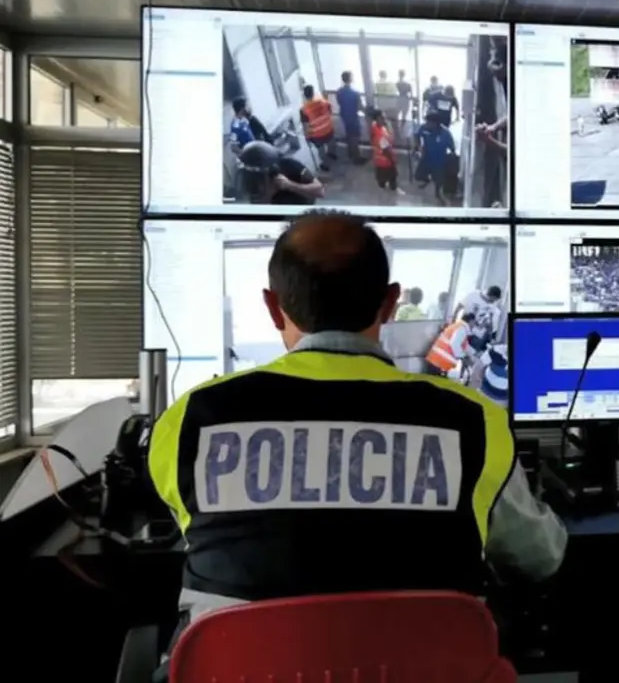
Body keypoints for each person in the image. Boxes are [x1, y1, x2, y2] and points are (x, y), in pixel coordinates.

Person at [146, 211, 566, 650]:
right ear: (390, 302)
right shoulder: (476, 421)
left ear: (272, 307)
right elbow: (541, 558)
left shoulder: (189, 419)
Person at [237, 141, 324, 206]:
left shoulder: (288, 164)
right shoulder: (251, 179)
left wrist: (290, 185)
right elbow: (256, 205)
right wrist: (270, 193)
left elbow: (319, 191)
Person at [413, 112, 455, 205]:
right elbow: (417, 135)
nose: (427, 124)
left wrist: (450, 160)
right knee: (418, 176)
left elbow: (452, 148)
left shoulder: (445, 133)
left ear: (435, 123)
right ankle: (427, 179)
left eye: (429, 122)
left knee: (439, 183)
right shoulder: (424, 128)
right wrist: (418, 147)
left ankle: (439, 196)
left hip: (439, 163)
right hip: (426, 159)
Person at [426, 312, 478, 377]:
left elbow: (464, 345)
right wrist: (462, 356)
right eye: (474, 322)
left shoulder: (458, 326)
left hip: (437, 360)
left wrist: (474, 353)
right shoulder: (462, 329)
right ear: (471, 321)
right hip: (440, 362)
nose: (474, 325)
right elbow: (455, 344)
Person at [298, 85, 336, 172]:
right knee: (331, 143)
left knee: (321, 149)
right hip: (328, 129)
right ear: (313, 93)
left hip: (317, 134)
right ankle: (332, 154)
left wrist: (307, 137)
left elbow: (306, 126)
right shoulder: (323, 102)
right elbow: (330, 112)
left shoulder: (304, 110)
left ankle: (325, 165)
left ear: (304, 95)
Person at [336, 71, 365, 164]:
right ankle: (357, 157)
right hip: (353, 116)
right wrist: (368, 112)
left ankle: (350, 154)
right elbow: (360, 107)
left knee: (349, 135)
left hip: (344, 115)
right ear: (351, 79)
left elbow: (339, 102)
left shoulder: (339, 92)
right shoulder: (355, 93)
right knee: (355, 136)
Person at [369, 109, 399, 197]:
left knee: (381, 178)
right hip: (386, 160)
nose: (385, 119)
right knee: (391, 178)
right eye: (382, 117)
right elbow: (385, 148)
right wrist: (393, 160)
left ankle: (382, 189)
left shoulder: (376, 127)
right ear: (377, 119)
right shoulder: (380, 133)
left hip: (379, 160)